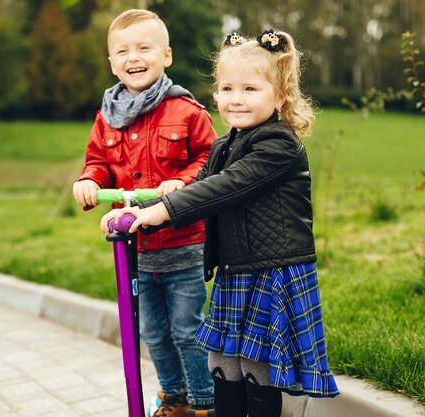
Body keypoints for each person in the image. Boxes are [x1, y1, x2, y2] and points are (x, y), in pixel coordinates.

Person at [101, 29, 339, 417]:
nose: (236, 99)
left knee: (254, 370)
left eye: (250, 89)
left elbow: (222, 188)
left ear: (280, 96)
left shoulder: (279, 145)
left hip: (271, 271)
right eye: (227, 89)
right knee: (223, 365)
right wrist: (137, 213)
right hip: (235, 271)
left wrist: (163, 211)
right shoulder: (224, 144)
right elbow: (196, 187)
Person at [72, 9, 216, 417]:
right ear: (112, 62)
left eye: (143, 48)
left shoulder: (187, 111)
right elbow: (97, 162)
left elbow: (210, 158)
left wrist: (183, 181)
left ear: (166, 55)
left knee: (187, 330)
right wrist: (89, 181)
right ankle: (174, 399)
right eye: (122, 51)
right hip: (135, 248)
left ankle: (205, 402)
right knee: (152, 332)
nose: (133, 57)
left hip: (184, 243)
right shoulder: (107, 118)